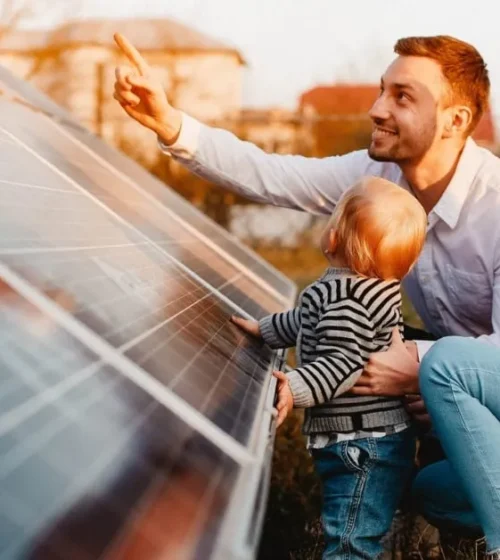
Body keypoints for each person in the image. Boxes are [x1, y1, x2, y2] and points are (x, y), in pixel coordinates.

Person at [112, 33, 500, 558]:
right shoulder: (380, 177)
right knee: (434, 491)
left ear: (456, 121)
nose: (377, 109)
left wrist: (419, 366)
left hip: (473, 374)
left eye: (402, 97)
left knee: (442, 360)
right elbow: (275, 176)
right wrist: (171, 124)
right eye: (382, 90)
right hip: (464, 395)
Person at [232, 176, 427, 559]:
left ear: (333, 238)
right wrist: (265, 329)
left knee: (351, 538)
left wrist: (296, 386)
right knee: (354, 523)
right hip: (369, 439)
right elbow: (306, 320)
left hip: (362, 443)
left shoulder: (348, 301)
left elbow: (342, 363)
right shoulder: (354, 289)